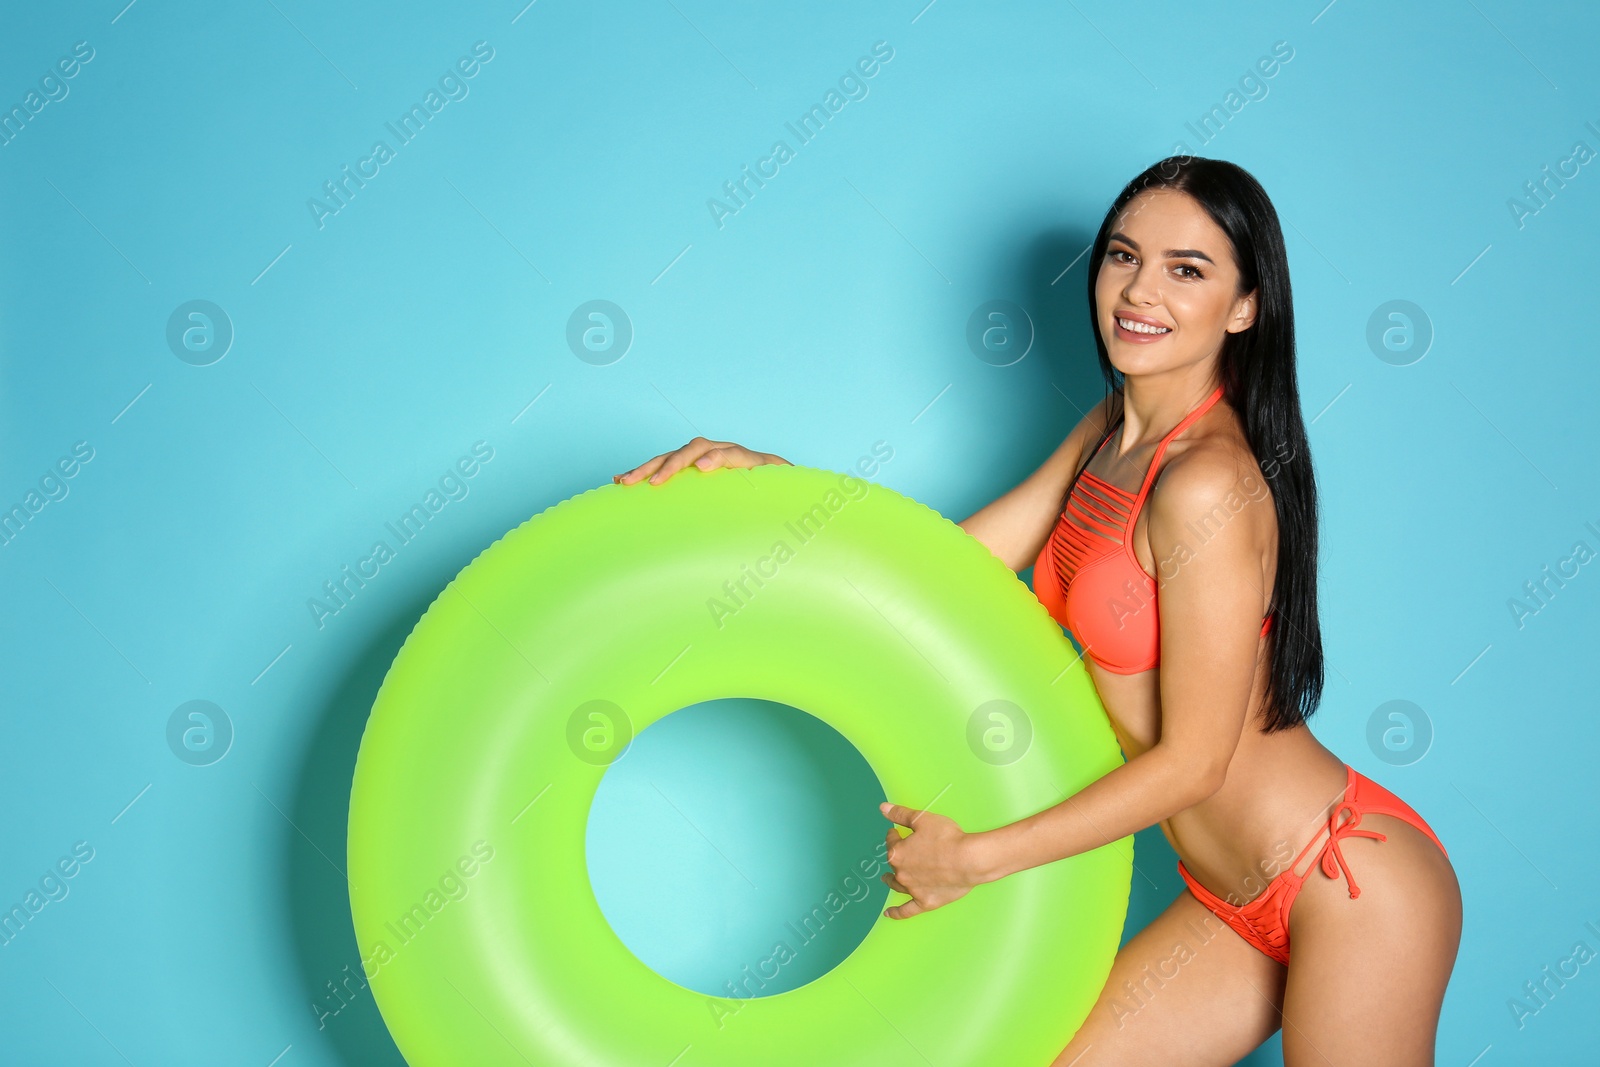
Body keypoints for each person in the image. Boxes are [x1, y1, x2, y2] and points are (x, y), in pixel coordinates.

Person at [613, 156, 1462, 1066]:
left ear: (1246, 306)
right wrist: (781, 485)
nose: (1140, 290)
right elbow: (947, 570)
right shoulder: (1107, 433)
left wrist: (975, 858)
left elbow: (1195, 763)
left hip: (1343, 879)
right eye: (1123, 256)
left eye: (1188, 269)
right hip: (1228, 897)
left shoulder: (1207, 482)